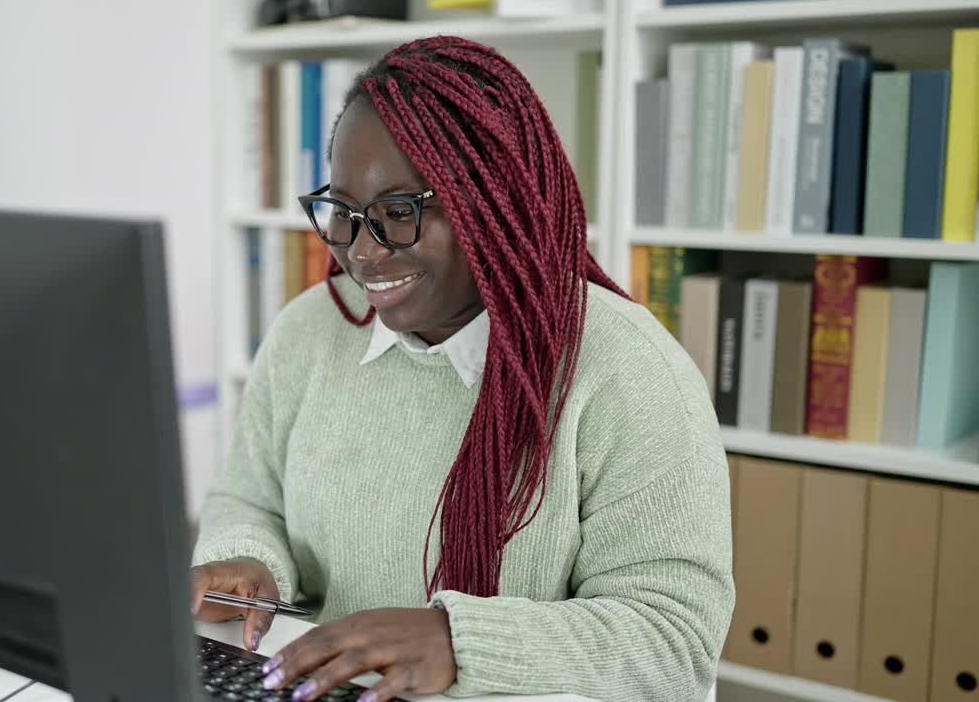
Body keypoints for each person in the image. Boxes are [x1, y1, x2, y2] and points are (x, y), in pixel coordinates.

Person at [191, 36, 732, 702]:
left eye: (397, 213)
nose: (363, 252)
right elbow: (249, 496)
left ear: (493, 200)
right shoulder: (309, 329)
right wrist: (249, 560)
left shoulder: (629, 370)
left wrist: (459, 640)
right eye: (345, 213)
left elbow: (675, 637)